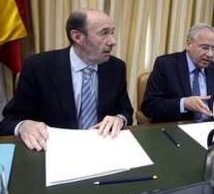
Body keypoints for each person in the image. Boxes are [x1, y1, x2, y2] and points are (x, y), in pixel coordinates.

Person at [0, 9, 133, 152]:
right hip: (54, 150)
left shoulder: (116, 67)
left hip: (105, 146)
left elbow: (126, 110)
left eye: (112, 32)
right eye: (104, 33)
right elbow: (10, 120)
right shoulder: (38, 67)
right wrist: (24, 125)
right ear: (77, 37)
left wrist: (119, 118)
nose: (113, 41)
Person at [141, 23, 214, 122]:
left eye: (213, 49)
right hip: (177, 129)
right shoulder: (165, 65)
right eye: (205, 48)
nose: (210, 54)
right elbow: (149, 106)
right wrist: (183, 104)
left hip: (210, 128)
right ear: (188, 44)